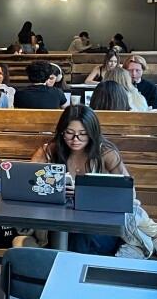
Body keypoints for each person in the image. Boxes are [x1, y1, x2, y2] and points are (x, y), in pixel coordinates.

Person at [31, 106, 130, 255]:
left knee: (79, 236)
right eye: (69, 133)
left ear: (92, 133)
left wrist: (85, 193)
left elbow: (129, 194)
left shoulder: (106, 153)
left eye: (83, 134)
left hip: (98, 226)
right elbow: (28, 181)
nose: (75, 139)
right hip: (58, 221)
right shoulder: (51, 151)